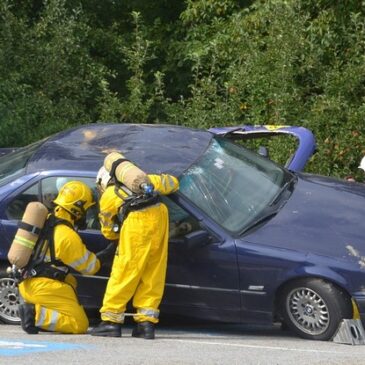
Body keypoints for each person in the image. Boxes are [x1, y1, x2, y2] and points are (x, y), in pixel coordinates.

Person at [90, 165, 179, 339]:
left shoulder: (110, 194)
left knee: (125, 272)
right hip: (159, 219)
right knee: (153, 273)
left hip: (137, 225)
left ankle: (111, 322)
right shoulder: (146, 181)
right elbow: (173, 183)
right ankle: (145, 325)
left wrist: (116, 234)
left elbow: (108, 230)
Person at [17, 181, 114, 335]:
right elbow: (90, 268)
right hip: (44, 287)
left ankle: (39, 308)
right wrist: (110, 250)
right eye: (86, 210)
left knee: (71, 282)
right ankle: (34, 314)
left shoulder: (48, 219)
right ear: (77, 209)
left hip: (28, 283)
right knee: (79, 324)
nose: (87, 214)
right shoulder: (67, 236)